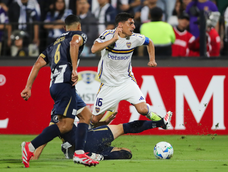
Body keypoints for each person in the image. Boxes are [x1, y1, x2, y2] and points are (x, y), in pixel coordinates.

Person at [20, 14, 99, 168]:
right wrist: (75, 69)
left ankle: (79, 153)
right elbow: (75, 44)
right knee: (65, 126)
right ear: (79, 26)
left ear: (64, 28)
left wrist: (28, 86)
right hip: (65, 84)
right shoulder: (79, 35)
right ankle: (30, 147)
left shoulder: (53, 44)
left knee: (86, 115)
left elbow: (37, 63)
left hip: (56, 85)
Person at [90, 12, 172, 127]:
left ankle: (163, 121)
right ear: (120, 25)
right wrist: (113, 40)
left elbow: (150, 42)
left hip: (126, 82)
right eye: (130, 23)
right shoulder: (108, 35)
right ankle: (92, 137)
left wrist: (152, 59)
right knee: (94, 120)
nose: (133, 26)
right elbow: (94, 49)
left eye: (133, 23)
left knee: (143, 109)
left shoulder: (135, 38)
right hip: (108, 85)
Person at [31, 105, 172, 160]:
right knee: (125, 128)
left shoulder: (58, 119)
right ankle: (160, 123)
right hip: (91, 138)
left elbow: (45, 139)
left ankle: (98, 156)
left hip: (85, 146)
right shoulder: (70, 110)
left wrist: (34, 156)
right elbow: (87, 123)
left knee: (127, 152)